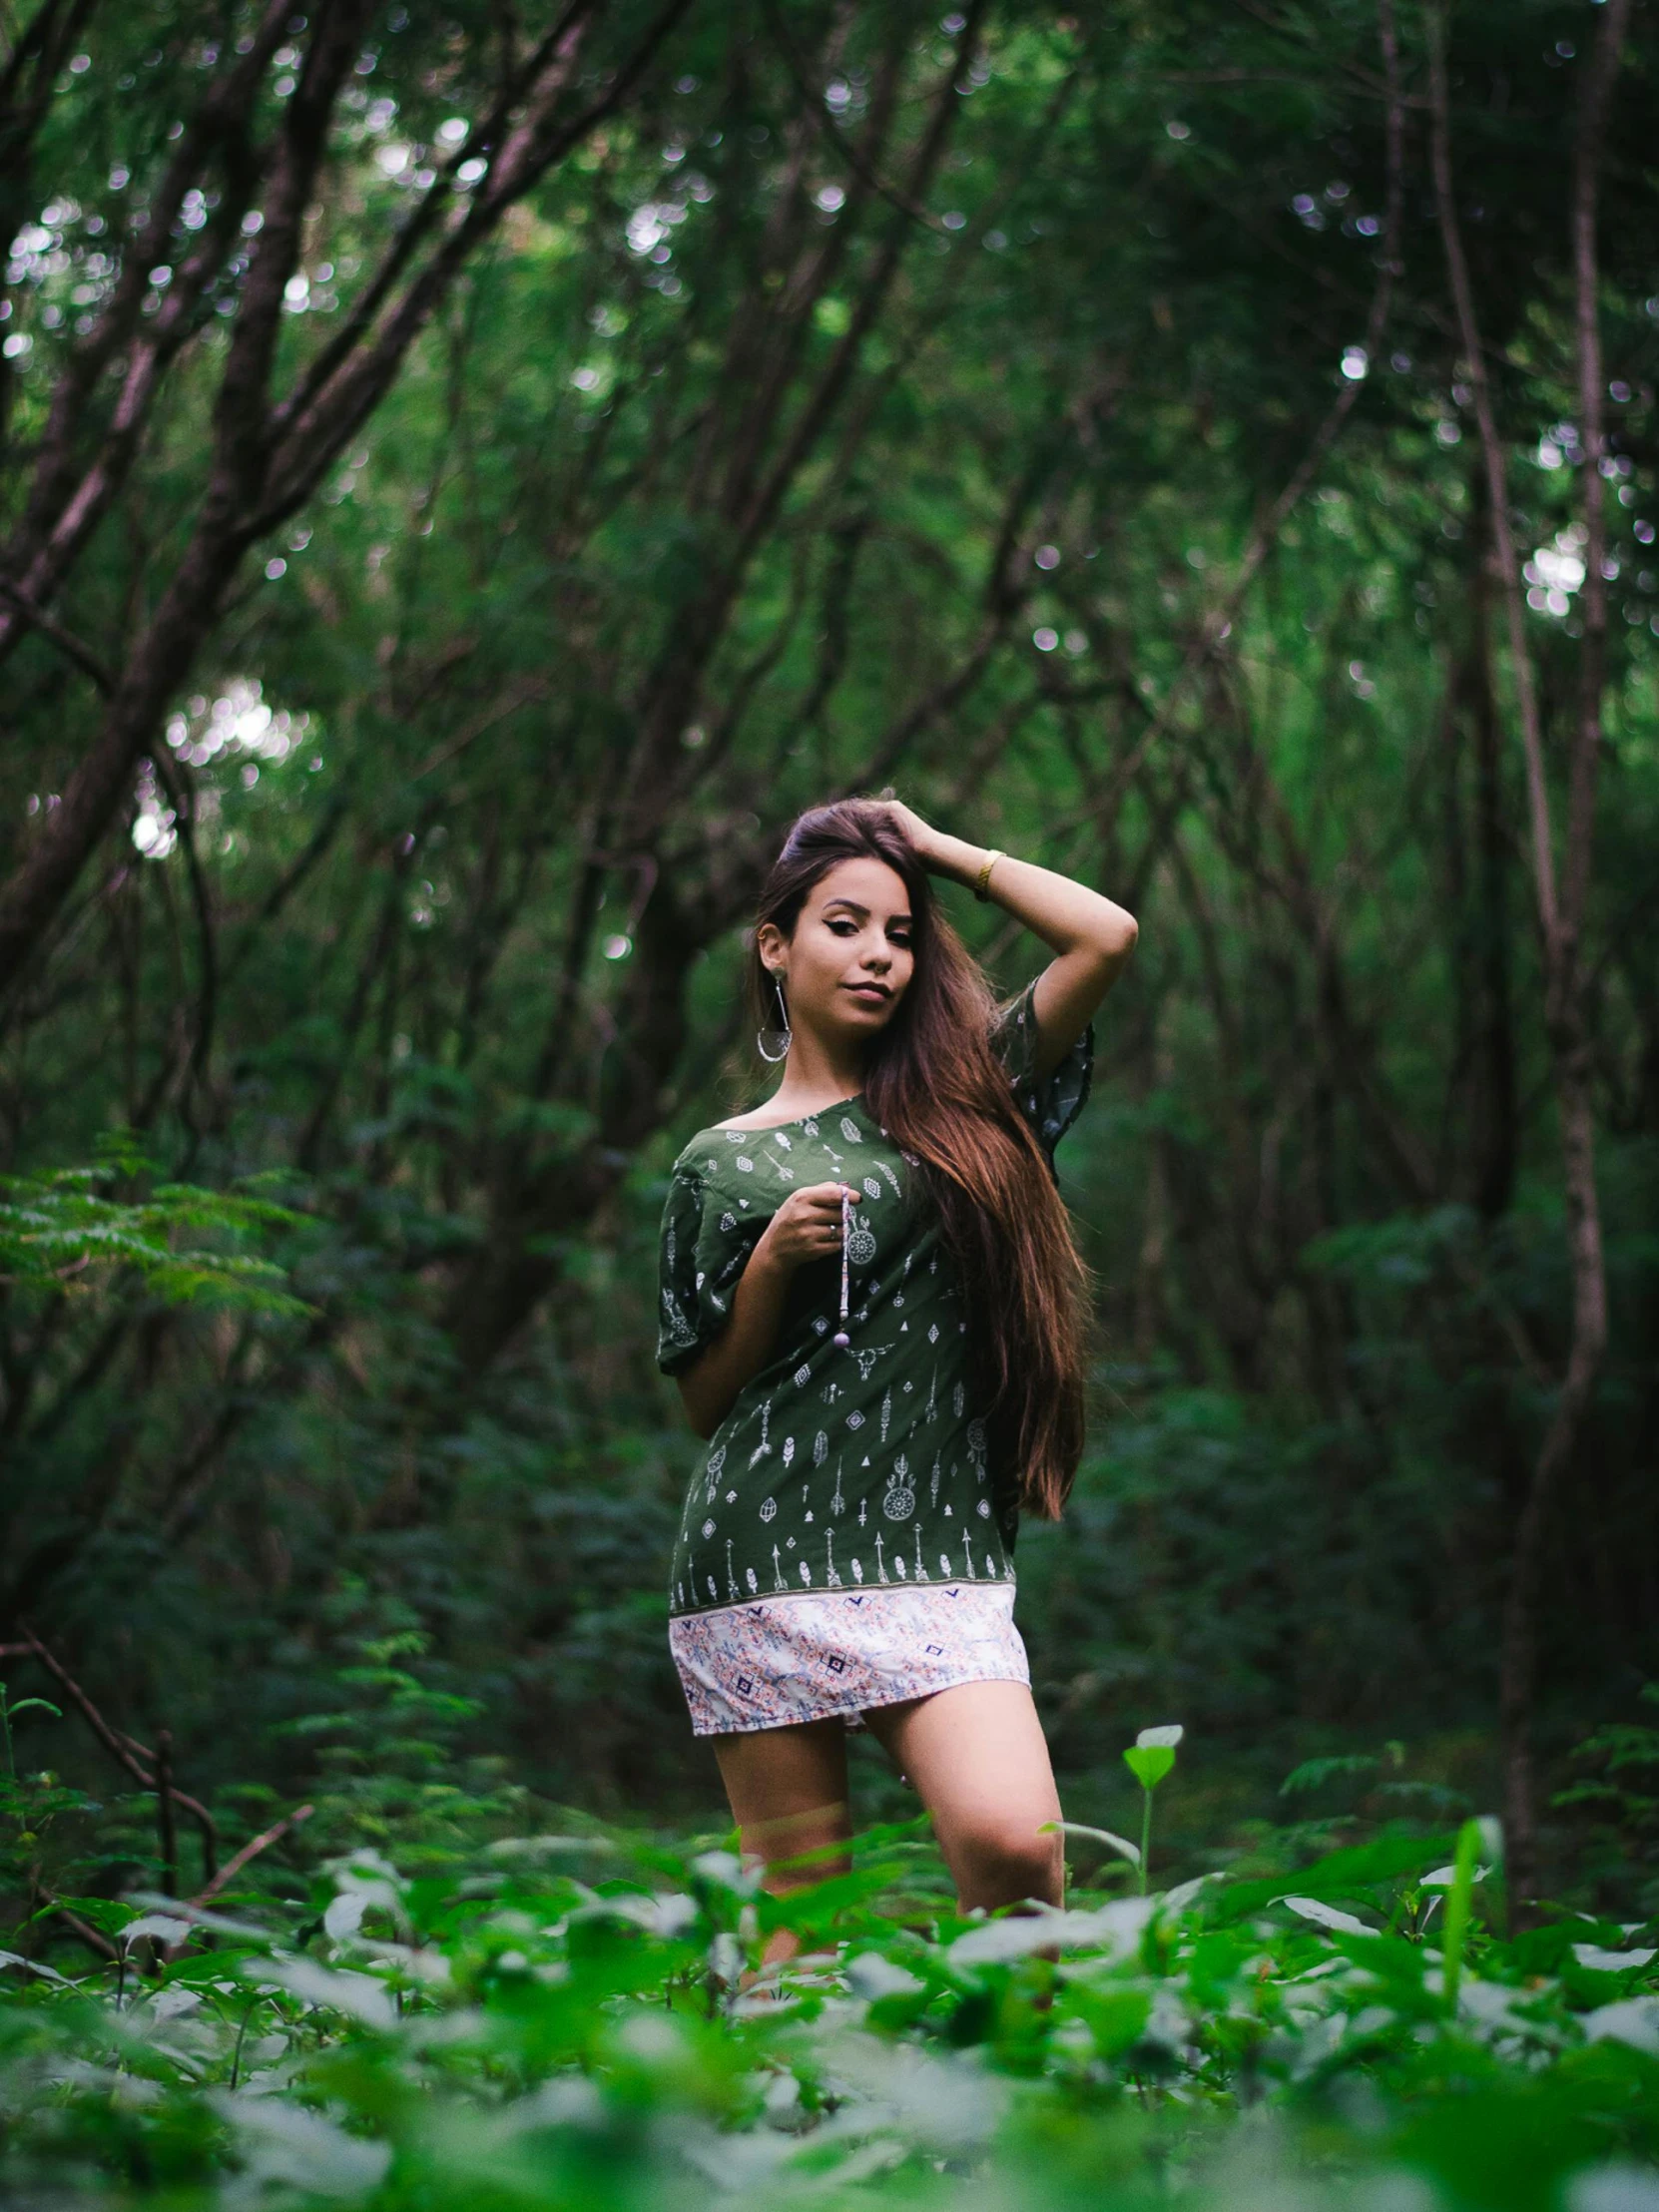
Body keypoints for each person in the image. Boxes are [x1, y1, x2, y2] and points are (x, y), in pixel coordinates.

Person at [654, 796, 1137, 1953]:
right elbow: (706, 1399)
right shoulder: (720, 1163)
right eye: (844, 922)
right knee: (799, 1932)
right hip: (763, 1556)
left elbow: (1107, 935)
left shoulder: (970, 1089)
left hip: (938, 1563)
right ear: (777, 943)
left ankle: (1020, 2121)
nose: (879, 952)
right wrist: (770, 1265)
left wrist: (944, 851)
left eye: (900, 930)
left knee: (1017, 1850)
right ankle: (787, 2133)